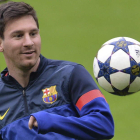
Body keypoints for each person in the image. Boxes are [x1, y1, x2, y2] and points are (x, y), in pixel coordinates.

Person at [0, 1, 114, 140]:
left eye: (33, 33)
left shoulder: (71, 75)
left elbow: (104, 124)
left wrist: (52, 121)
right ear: (1, 43)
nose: (29, 42)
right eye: (18, 35)